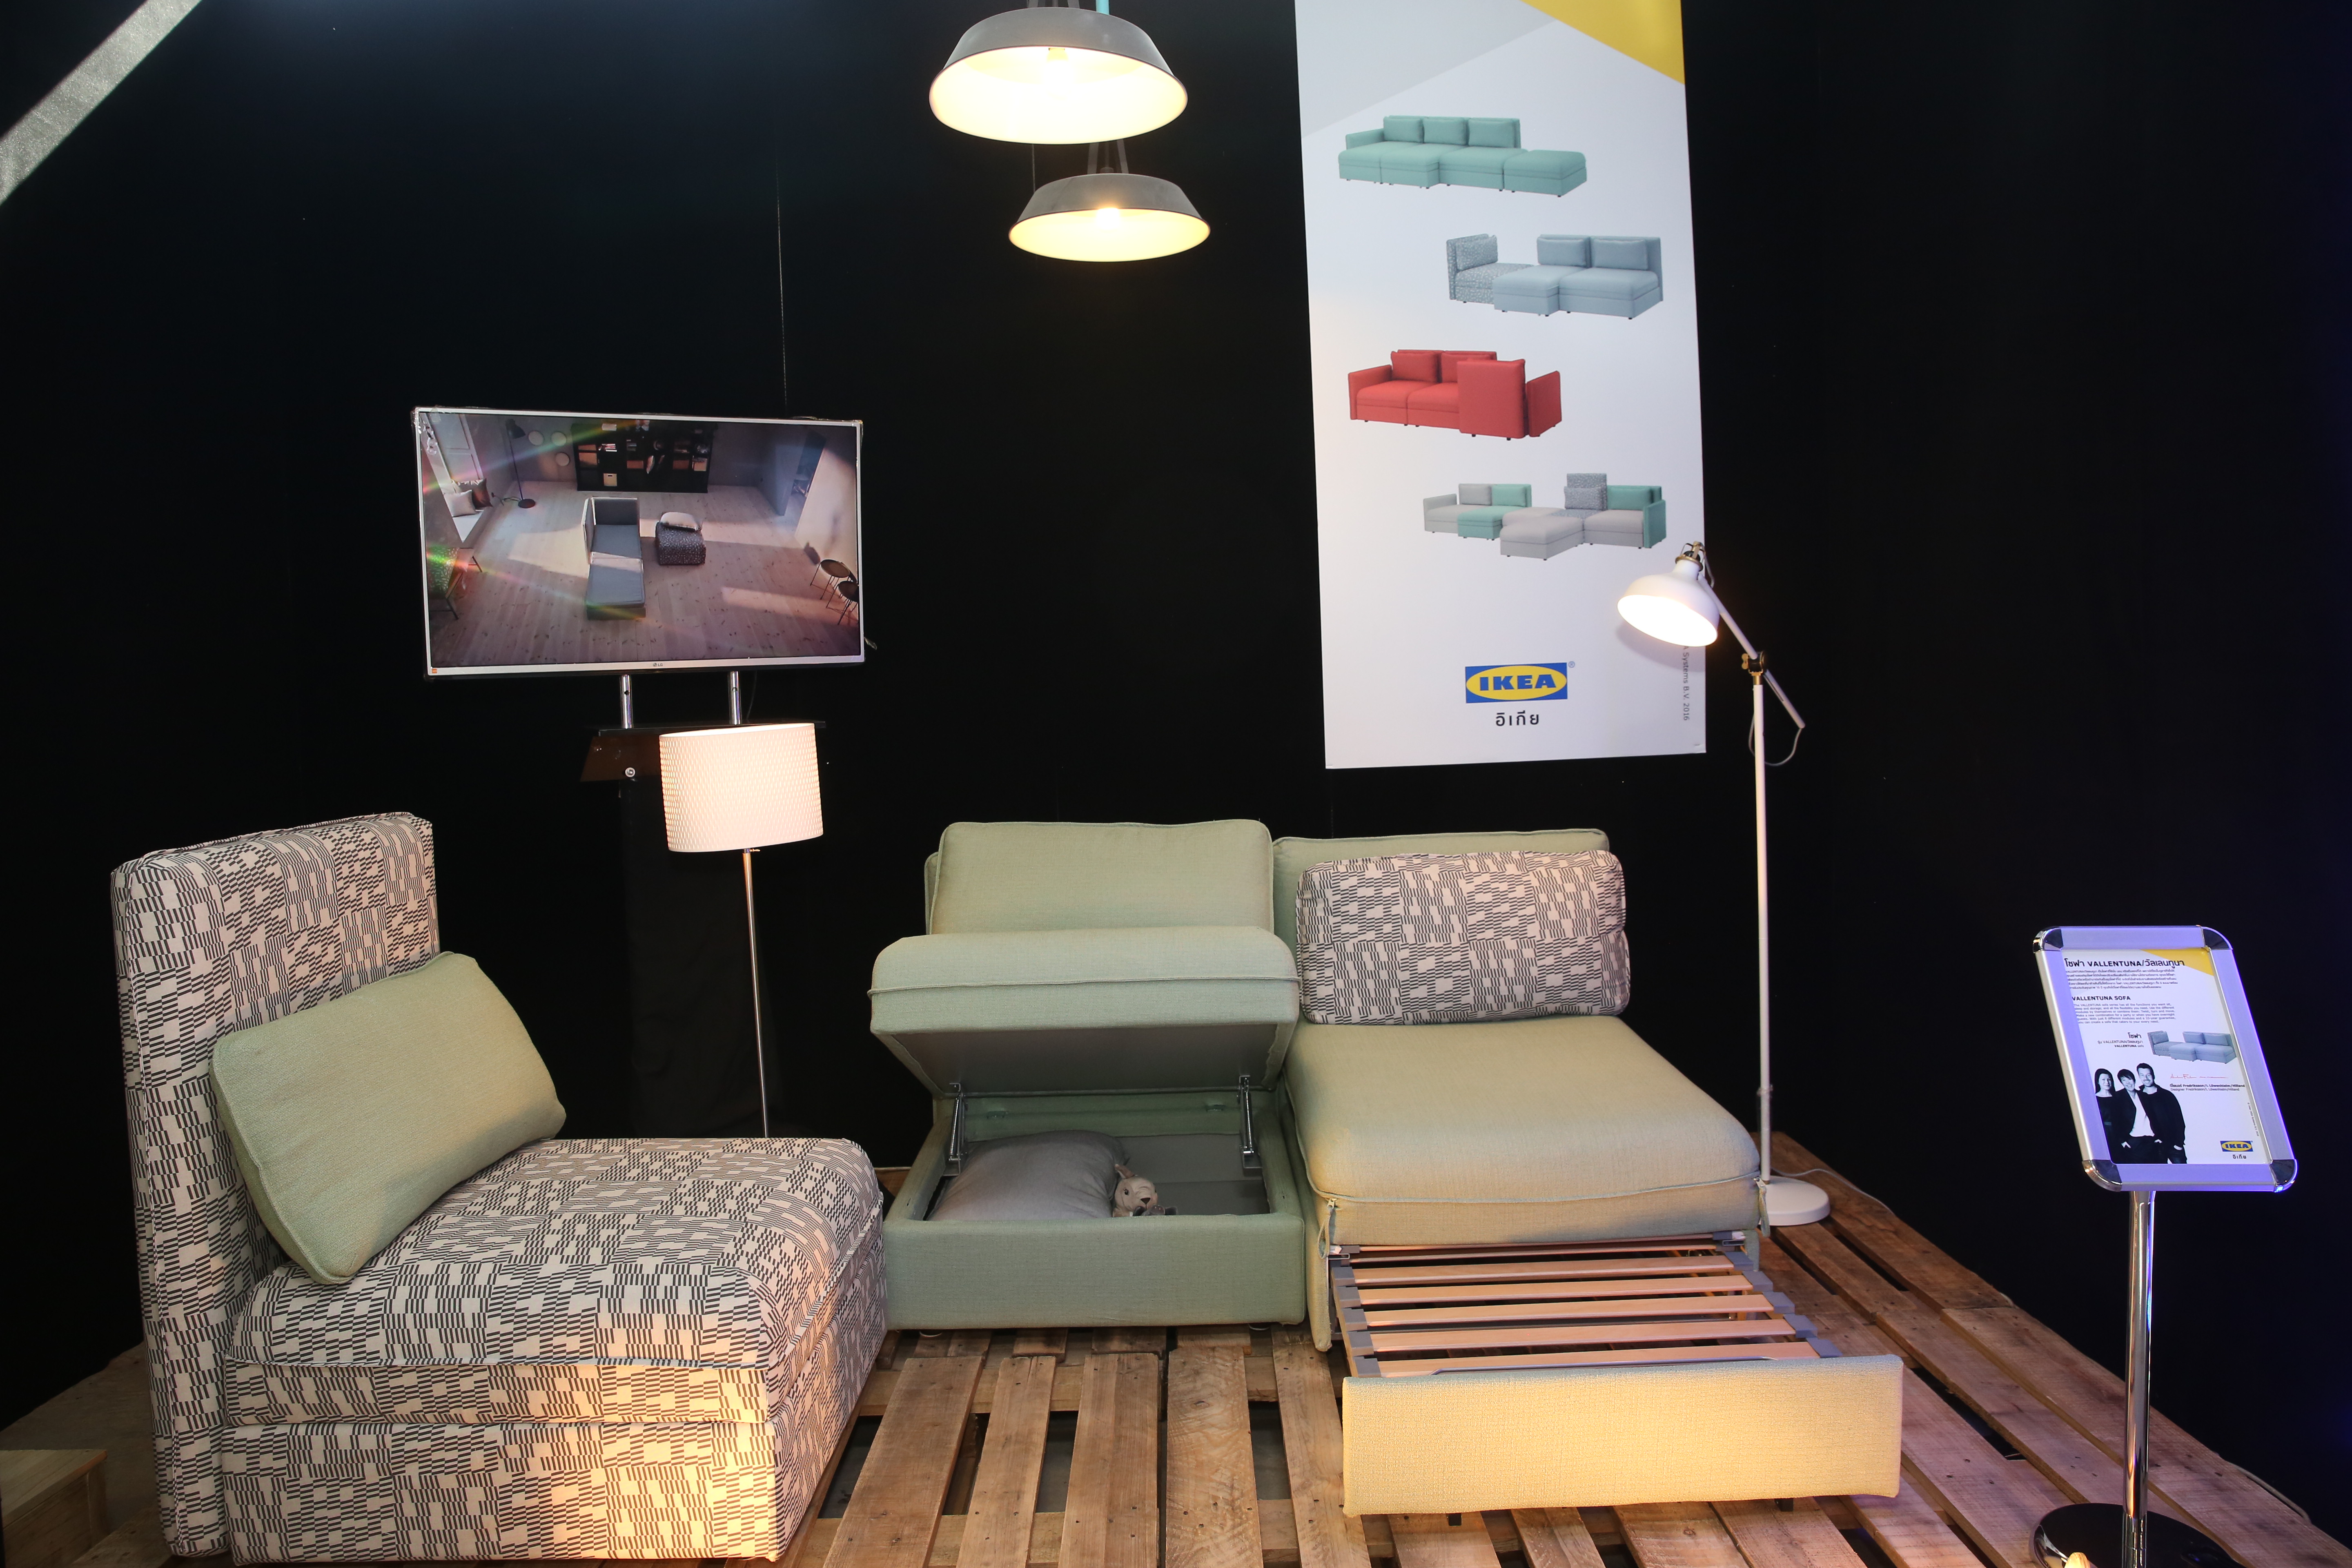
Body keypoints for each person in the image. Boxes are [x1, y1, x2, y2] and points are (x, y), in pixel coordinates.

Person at [2134, 1062, 2189, 1164]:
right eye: (2142, 1075)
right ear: (2139, 1077)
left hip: (2173, 1145)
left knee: (2183, 1173)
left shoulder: (2167, 1095)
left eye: (2148, 1075)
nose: (2146, 1078)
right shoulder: (2138, 1096)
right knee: (2159, 1174)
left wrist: (2179, 1144)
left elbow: (2179, 1121)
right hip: (2153, 1146)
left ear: (2153, 1076)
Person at [2094, 1068, 2134, 1154]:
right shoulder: (2094, 1099)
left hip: (2120, 1136)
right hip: (2103, 1135)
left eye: (2109, 1080)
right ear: (2098, 1082)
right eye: (2103, 1080)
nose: (2107, 1082)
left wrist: (2123, 1139)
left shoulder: (2119, 1098)